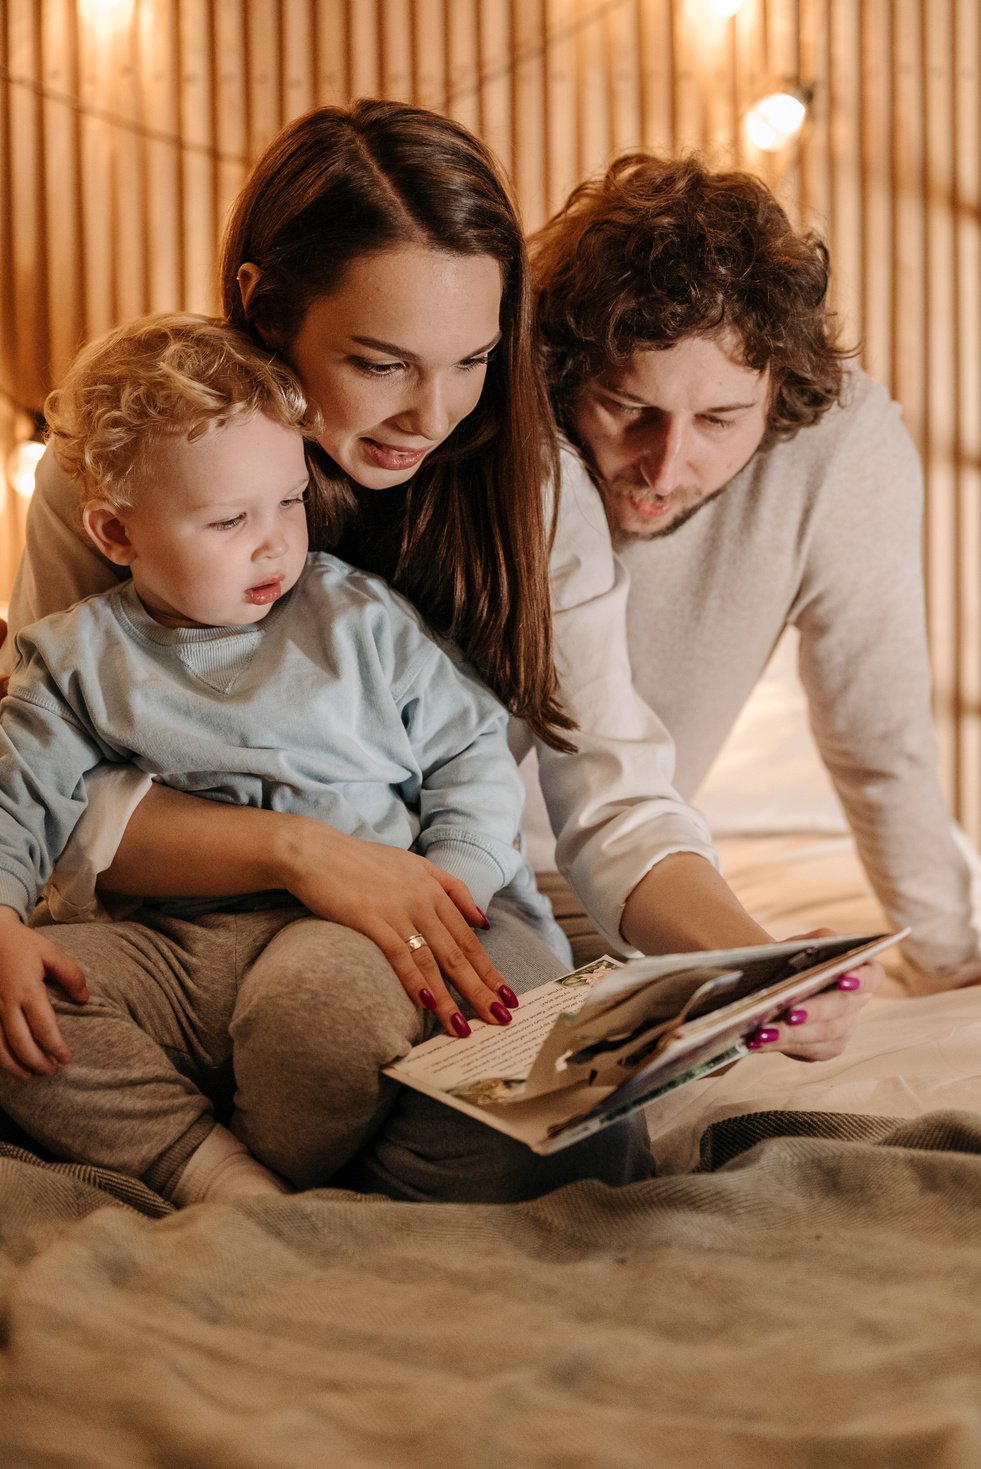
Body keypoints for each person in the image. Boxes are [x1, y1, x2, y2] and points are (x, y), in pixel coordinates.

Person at [0, 103, 877, 1193]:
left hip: (423, 925)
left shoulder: (527, 486)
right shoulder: (126, 463)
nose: (434, 413)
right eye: (380, 362)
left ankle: (275, 1149)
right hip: (191, 938)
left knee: (579, 1142)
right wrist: (311, 855)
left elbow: (615, 797)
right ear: (261, 303)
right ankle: (246, 1162)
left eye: (471, 359)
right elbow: (61, 794)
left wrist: (749, 966)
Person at [530, 150, 981, 995]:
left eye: (718, 420)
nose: (665, 468)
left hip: (641, 886)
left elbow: (877, 741)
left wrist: (949, 967)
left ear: (779, 394)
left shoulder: (840, 447)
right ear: (566, 370)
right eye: (629, 408)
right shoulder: (508, 418)